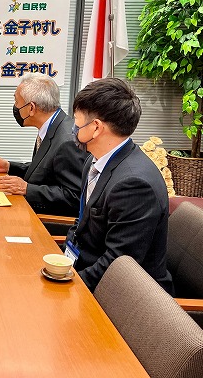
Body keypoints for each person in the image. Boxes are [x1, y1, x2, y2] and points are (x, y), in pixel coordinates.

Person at [65, 78, 173, 293]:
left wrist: (68, 284)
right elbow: (83, 222)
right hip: (88, 268)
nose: (73, 129)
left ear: (96, 127)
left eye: (76, 122)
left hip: (129, 296)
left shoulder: (134, 184)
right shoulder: (94, 160)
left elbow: (117, 264)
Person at [0, 73, 87, 216]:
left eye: (16, 102)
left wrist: (28, 189)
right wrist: (9, 167)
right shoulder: (53, 126)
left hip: (48, 220)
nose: (15, 107)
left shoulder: (67, 141)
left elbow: (75, 197)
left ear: (31, 108)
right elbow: (47, 170)